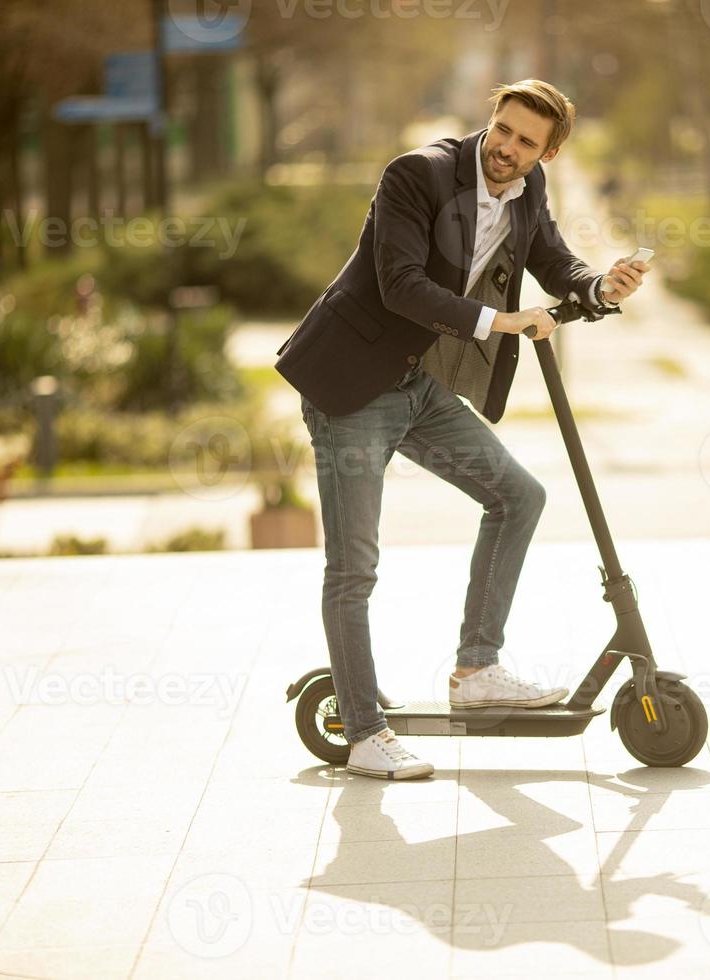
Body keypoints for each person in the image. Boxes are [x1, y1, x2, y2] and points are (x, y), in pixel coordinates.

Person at [274, 79, 651, 780]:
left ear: (551, 152)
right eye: (502, 130)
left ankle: (476, 669)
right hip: (350, 387)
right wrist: (501, 321)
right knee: (354, 568)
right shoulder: (416, 174)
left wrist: (599, 287)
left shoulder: (529, 192)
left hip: (416, 383)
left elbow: (554, 262)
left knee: (519, 497)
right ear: (492, 120)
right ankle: (362, 735)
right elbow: (399, 284)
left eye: (526, 142)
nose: (506, 149)